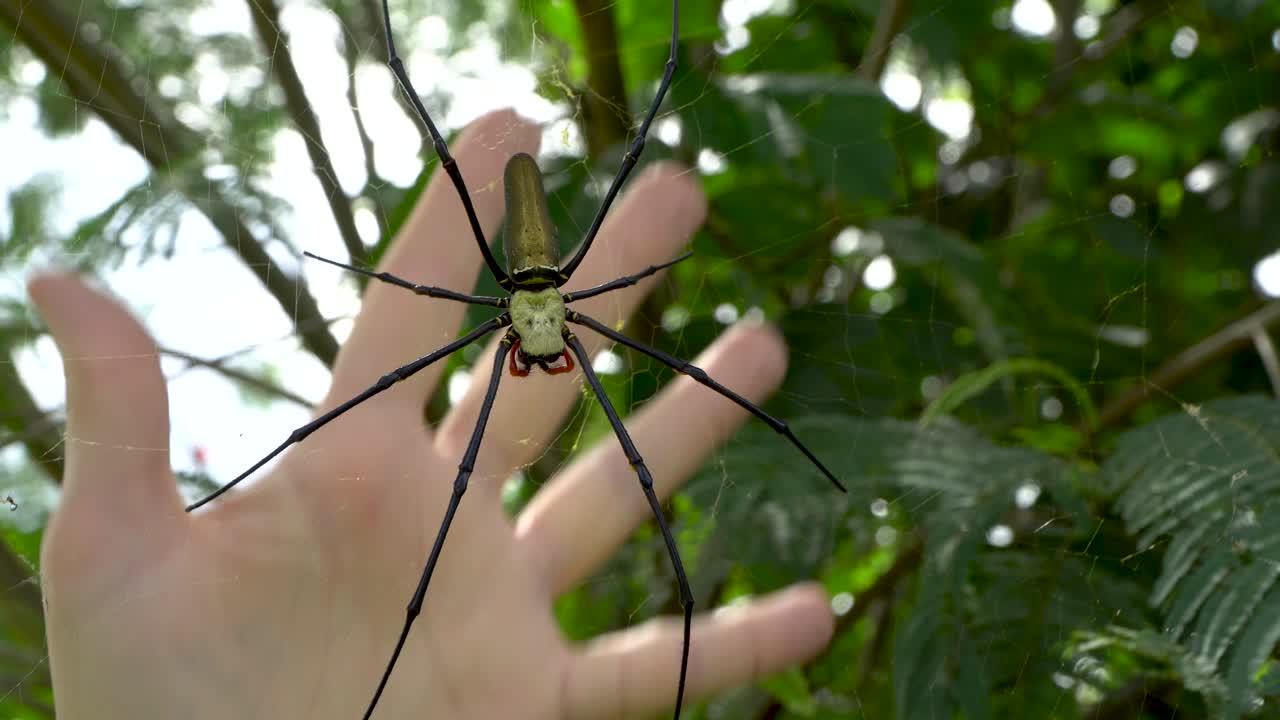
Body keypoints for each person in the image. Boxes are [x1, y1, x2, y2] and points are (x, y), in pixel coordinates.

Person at [29, 109, 834, 719]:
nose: (545, 351)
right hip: (537, 280)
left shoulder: (547, 324)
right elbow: (433, 296)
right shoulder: (541, 319)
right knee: (491, 456)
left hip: (543, 285)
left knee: (640, 450)